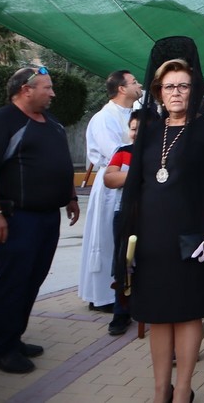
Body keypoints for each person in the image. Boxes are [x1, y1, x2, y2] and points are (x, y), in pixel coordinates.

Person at [115, 37, 204, 403]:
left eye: (184, 85)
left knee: (187, 315)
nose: (177, 92)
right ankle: (159, 391)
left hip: (191, 241)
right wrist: (129, 240)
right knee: (158, 316)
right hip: (151, 241)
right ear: (158, 91)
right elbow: (135, 187)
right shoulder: (150, 130)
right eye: (169, 87)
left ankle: (182, 390)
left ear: (193, 88)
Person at [0, 66, 79, 375]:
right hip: (18, 218)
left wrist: (70, 196)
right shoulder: (3, 121)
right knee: (12, 280)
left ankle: (13, 337)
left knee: (33, 279)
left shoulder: (52, 123)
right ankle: (1, 347)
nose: (53, 93)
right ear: (25, 90)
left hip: (48, 217)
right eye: (47, 87)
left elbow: (63, 162)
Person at [79, 69, 142, 316]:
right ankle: (103, 294)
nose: (139, 85)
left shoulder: (135, 114)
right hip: (112, 184)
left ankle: (125, 293)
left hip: (134, 185)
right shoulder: (104, 117)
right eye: (134, 82)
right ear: (122, 89)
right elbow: (115, 151)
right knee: (106, 240)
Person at [101, 109, 142, 336]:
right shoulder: (123, 152)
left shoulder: (160, 152)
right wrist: (137, 173)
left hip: (153, 217)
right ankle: (120, 312)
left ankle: (146, 308)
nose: (135, 133)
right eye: (133, 128)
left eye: (140, 129)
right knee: (122, 261)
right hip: (124, 214)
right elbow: (110, 178)